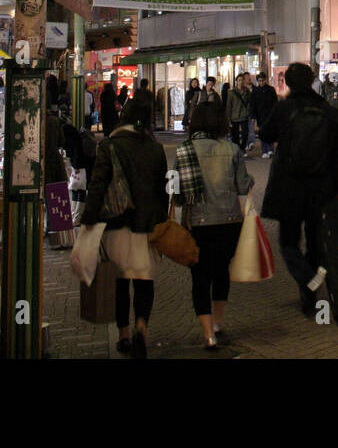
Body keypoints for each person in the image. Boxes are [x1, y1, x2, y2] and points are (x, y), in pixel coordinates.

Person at [80, 97, 169, 359]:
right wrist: (161, 218)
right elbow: (163, 189)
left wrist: (88, 217)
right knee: (144, 280)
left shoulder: (109, 146)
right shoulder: (155, 148)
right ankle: (142, 326)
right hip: (147, 226)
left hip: (117, 223)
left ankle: (124, 334)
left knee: (120, 282)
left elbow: (97, 185)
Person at [259, 62, 338, 314]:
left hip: (289, 186)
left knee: (288, 241)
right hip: (321, 186)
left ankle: (308, 281)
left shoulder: (284, 108)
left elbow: (265, 134)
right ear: (312, 81)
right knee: (315, 241)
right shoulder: (329, 111)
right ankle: (310, 293)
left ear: (287, 82)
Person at [177, 100, 253, 350]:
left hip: (197, 223)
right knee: (221, 271)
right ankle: (218, 322)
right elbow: (243, 186)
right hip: (229, 221)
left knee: (199, 277)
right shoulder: (232, 150)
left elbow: (178, 195)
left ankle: (208, 333)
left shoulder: (184, 151)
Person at [250, 72, 277, 158]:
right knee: (262, 133)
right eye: (259, 81)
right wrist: (253, 116)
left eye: (262, 80)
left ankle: (270, 149)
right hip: (260, 115)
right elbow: (253, 104)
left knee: (269, 132)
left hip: (269, 114)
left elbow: (275, 102)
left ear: (265, 80)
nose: (261, 82)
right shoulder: (256, 91)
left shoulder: (271, 90)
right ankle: (264, 150)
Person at [227, 72, 252, 151]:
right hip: (234, 116)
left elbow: (249, 103)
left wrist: (248, 112)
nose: (241, 82)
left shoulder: (247, 92)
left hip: (244, 115)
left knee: (245, 133)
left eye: (242, 80)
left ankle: (242, 148)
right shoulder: (231, 92)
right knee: (235, 135)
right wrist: (228, 118)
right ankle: (238, 149)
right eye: (239, 80)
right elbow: (229, 106)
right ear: (236, 81)